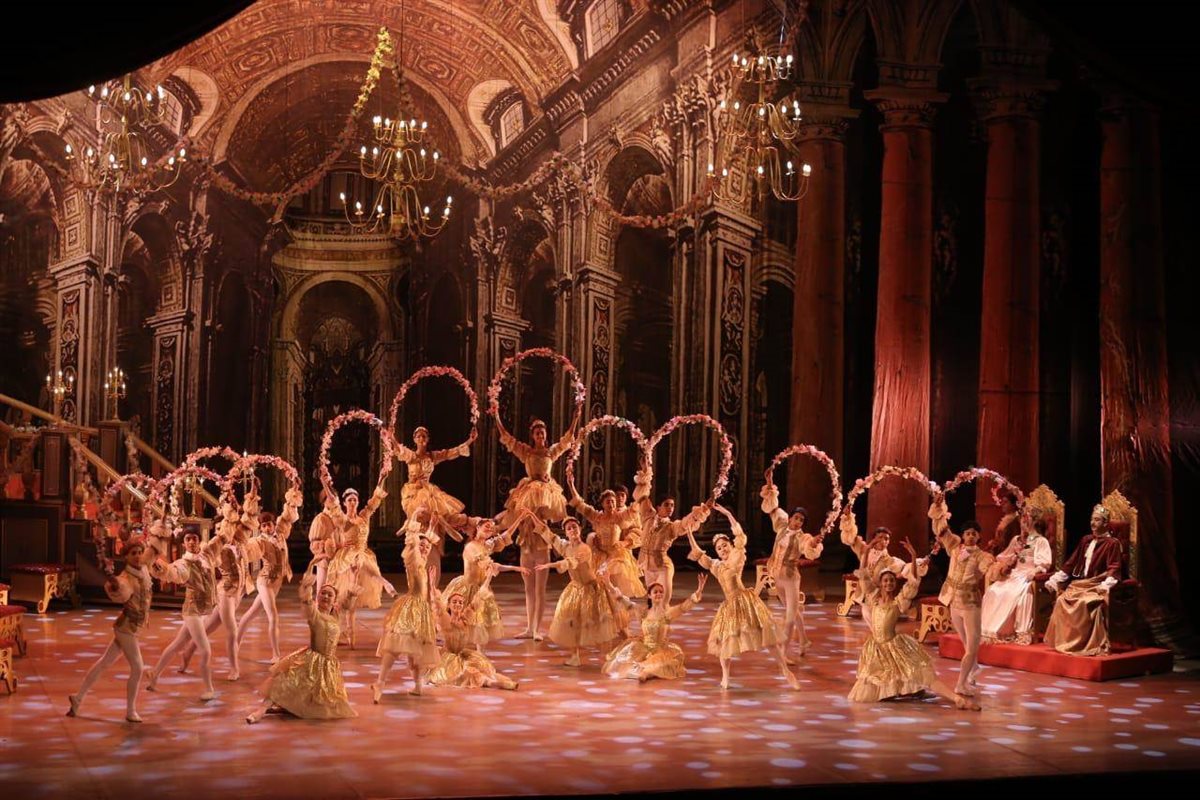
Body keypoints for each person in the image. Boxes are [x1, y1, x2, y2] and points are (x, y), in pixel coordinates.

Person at [847, 539, 979, 710]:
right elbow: (864, 574)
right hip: (876, 648)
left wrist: (914, 556)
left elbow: (913, 582)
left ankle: (957, 700)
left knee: (922, 674)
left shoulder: (898, 602)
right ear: (880, 583)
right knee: (873, 684)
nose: (888, 583)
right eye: (885, 580)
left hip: (894, 646)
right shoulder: (873, 599)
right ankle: (906, 692)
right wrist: (867, 551)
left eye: (891, 581)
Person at [686, 504, 798, 690]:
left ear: (730, 546)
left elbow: (739, 537)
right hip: (730, 607)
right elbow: (699, 554)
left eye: (725, 545)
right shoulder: (716, 566)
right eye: (719, 548)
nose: (722, 549)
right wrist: (690, 532)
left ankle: (785, 670)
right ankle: (725, 677)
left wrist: (727, 513)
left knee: (767, 638)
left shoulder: (736, 557)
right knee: (725, 643)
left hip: (745, 602)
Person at [495, 412, 581, 640]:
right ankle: (528, 627)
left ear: (545, 434)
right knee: (528, 587)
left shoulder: (551, 452)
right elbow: (507, 438)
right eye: (537, 433)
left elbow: (567, 439)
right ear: (533, 436)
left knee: (540, 588)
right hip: (528, 496)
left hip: (544, 496)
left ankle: (537, 629)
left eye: (543, 432)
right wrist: (497, 415)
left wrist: (575, 417)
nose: (540, 435)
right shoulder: (526, 451)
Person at [67, 536, 153, 722]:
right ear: (126, 557)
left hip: (131, 628)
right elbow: (122, 591)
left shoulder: (144, 570)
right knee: (138, 668)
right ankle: (130, 711)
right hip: (126, 629)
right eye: (133, 553)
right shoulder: (125, 578)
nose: (138, 556)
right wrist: (114, 584)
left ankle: (78, 698)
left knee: (104, 663)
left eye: (140, 552)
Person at [245, 584, 356, 723]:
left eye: (330, 594)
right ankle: (260, 711)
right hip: (312, 659)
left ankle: (287, 707)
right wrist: (307, 593)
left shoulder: (336, 617)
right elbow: (308, 606)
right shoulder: (315, 615)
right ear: (317, 597)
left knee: (317, 696)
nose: (326, 596)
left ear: (334, 600)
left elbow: (346, 607)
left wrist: (351, 595)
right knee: (284, 683)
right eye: (323, 593)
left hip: (328, 665)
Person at [532, 516, 623, 667]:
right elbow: (549, 535)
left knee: (600, 624)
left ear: (579, 529)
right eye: (569, 528)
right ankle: (575, 656)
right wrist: (533, 516)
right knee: (572, 622)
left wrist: (549, 565)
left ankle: (611, 654)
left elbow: (572, 561)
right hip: (575, 589)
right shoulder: (565, 546)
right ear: (566, 532)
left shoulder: (584, 549)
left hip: (591, 589)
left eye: (574, 527)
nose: (572, 530)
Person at [929, 499, 993, 697]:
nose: (971, 536)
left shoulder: (982, 556)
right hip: (954, 602)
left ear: (979, 536)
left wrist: (1002, 568)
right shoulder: (955, 548)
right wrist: (938, 507)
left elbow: (990, 570)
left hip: (971, 604)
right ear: (963, 536)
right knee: (965, 642)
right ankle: (973, 669)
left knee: (972, 647)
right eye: (967, 533)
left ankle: (960, 684)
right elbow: (942, 531)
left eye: (974, 533)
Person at [145, 530, 220, 700]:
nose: (192, 542)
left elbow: (219, 543)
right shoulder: (183, 564)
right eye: (188, 539)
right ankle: (209, 688)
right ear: (183, 543)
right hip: (192, 611)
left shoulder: (206, 556)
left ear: (199, 540)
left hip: (202, 610)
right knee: (206, 650)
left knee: (177, 645)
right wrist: (155, 562)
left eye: (194, 538)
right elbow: (171, 572)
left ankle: (154, 674)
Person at [1044, 504, 1125, 656]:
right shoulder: (1086, 540)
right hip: (1082, 584)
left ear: (1105, 523)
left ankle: (1082, 644)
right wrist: (1055, 580)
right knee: (1062, 600)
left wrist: (1105, 586)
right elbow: (1071, 563)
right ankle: (1066, 642)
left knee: (1083, 602)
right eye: (1092, 519)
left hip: (1097, 584)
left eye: (1097, 520)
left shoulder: (1112, 543)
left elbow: (1114, 568)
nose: (1092, 523)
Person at [443, 513, 531, 647]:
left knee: (481, 624)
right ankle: (459, 651)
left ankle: (479, 654)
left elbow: (505, 537)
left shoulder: (486, 545)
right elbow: (487, 564)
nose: (490, 529)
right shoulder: (471, 547)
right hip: (468, 588)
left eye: (492, 528)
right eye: (487, 526)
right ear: (478, 527)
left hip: (482, 588)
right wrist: (508, 568)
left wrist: (518, 519)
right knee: (465, 623)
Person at [325, 485, 397, 648]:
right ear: (345, 503)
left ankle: (385, 584)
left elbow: (375, 501)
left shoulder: (364, 516)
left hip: (363, 554)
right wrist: (325, 482)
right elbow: (333, 502)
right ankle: (344, 634)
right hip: (347, 558)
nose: (352, 502)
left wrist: (382, 477)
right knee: (345, 599)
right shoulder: (343, 519)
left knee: (356, 592)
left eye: (355, 500)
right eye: (350, 500)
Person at [760, 481, 825, 661]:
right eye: (796, 518)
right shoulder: (781, 526)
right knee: (793, 610)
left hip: (791, 579)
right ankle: (804, 641)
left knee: (789, 618)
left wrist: (813, 543)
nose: (797, 522)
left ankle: (783, 652)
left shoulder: (803, 537)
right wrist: (770, 482)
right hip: (776, 574)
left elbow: (808, 547)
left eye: (801, 520)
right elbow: (772, 508)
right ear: (790, 518)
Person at [236, 488, 303, 663]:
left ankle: (235, 642)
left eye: (269, 524)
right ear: (260, 527)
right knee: (273, 615)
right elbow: (249, 550)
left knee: (251, 614)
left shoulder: (280, 534)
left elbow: (287, 515)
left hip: (277, 582)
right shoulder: (260, 541)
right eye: (264, 525)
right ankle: (276, 654)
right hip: (265, 581)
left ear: (274, 524)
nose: (267, 527)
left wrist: (294, 492)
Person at [426, 568, 520, 691]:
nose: (458, 604)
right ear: (449, 605)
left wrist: (488, 578)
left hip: (463, 655)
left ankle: (496, 681)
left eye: (460, 603)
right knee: (465, 672)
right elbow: (437, 604)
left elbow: (478, 598)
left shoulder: (465, 618)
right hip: (448, 657)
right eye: (454, 602)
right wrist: (432, 585)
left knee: (481, 667)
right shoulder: (446, 620)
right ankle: (493, 684)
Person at [373, 528, 440, 700]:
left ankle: (418, 686)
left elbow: (427, 594)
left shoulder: (424, 566)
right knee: (395, 646)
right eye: (422, 545)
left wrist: (432, 607)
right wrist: (415, 527)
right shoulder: (414, 562)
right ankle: (380, 682)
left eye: (428, 547)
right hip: (410, 609)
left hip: (421, 611)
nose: (425, 548)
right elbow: (412, 544)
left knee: (416, 651)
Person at [602, 574, 706, 682]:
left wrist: (699, 590)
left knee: (661, 664)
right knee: (628, 661)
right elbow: (622, 599)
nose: (659, 594)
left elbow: (684, 607)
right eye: (655, 592)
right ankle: (643, 671)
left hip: (660, 650)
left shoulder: (667, 614)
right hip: (643, 648)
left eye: (661, 592)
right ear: (650, 595)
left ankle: (647, 673)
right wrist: (608, 584)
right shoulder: (643, 612)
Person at [981, 515, 1053, 644]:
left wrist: (1035, 571)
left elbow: (1045, 563)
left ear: (1034, 522)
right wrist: (1009, 562)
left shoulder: (1041, 541)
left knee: (1012, 593)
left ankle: (1006, 631)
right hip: (1015, 573)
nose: (1023, 523)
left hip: (1028, 574)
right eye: (1022, 520)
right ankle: (988, 630)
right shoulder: (1017, 539)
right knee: (993, 590)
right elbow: (1004, 556)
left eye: (1027, 520)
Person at [395, 425, 473, 529]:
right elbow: (399, 449)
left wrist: (470, 440)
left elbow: (450, 452)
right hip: (413, 491)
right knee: (420, 517)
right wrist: (391, 436)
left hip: (428, 490)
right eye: (418, 436)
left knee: (438, 517)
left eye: (424, 436)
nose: (421, 438)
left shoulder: (432, 456)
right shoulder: (411, 456)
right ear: (414, 440)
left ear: (428, 439)